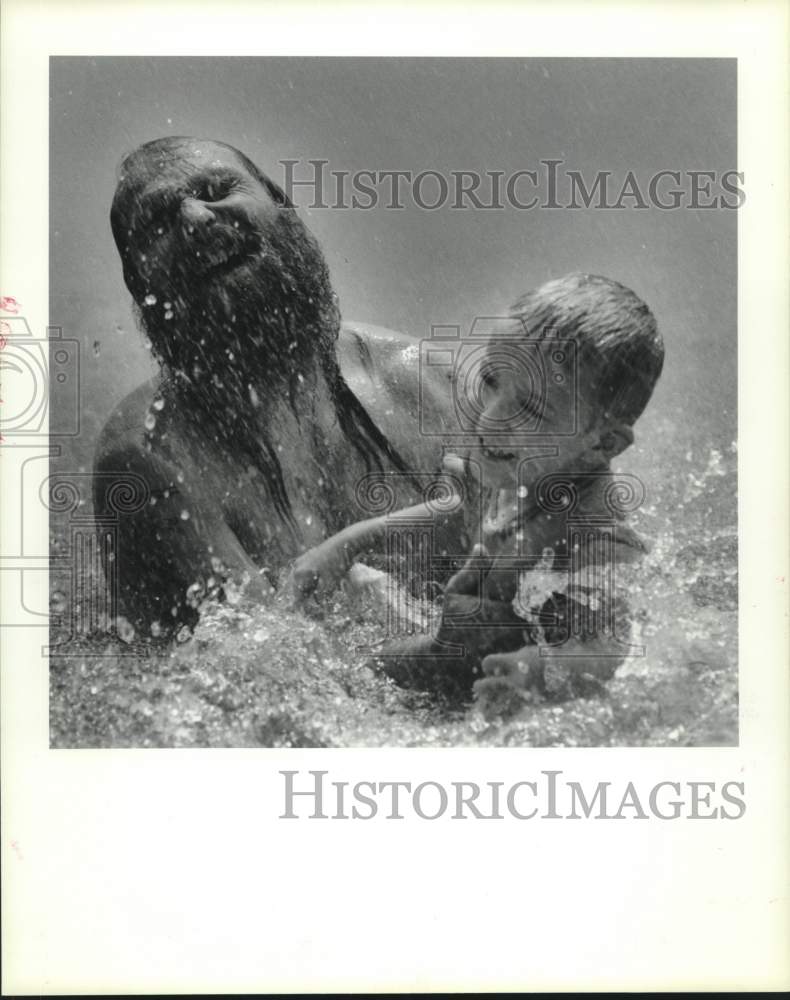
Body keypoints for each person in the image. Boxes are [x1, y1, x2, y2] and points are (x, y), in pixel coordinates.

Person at [93, 136, 453, 639]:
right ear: (140, 282)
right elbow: (276, 677)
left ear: (281, 202)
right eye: (157, 223)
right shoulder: (148, 458)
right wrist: (452, 639)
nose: (196, 220)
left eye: (217, 190)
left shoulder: (427, 383)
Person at [290, 273, 664, 706]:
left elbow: (615, 643)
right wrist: (346, 544)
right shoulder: (517, 473)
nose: (490, 419)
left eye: (530, 409)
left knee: (337, 677)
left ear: (602, 443)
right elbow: (453, 509)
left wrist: (539, 667)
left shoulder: (594, 531)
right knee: (343, 661)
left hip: (496, 682)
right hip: (457, 645)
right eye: (490, 381)